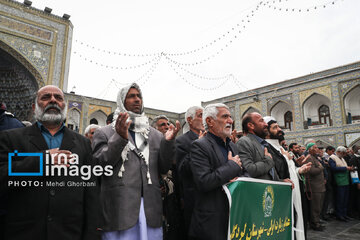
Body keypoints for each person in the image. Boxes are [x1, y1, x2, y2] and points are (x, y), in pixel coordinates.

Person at [0, 85, 100, 240]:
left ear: (64, 106)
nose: (53, 100)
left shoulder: (82, 144)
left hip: (69, 233)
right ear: (34, 107)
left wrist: (92, 234)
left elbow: (91, 194)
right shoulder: (11, 139)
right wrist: (43, 161)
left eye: (58, 98)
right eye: (46, 97)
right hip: (23, 232)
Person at [92, 83, 180, 240]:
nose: (137, 99)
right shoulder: (105, 133)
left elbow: (163, 167)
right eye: (131, 96)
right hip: (120, 210)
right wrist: (119, 137)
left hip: (150, 210)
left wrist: (168, 143)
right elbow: (100, 166)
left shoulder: (154, 135)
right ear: (121, 101)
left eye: (139, 96)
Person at [189, 103, 242, 240]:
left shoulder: (232, 146)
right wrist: (231, 167)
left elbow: (245, 172)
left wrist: (238, 179)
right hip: (212, 223)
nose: (230, 121)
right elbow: (204, 181)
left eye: (230, 117)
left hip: (234, 217)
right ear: (209, 121)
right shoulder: (199, 146)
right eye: (225, 117)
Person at [263, 117, 310, 240]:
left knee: (298, 217)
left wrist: (300, 170)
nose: (280, 130)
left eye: (278, 127)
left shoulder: (281, 148)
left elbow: (290, 170)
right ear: (267, 132)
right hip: (282, 193)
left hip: (295, 190)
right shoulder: (266, 148)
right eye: (275, 128)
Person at [175, 106, 204, 239]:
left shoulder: (211, 139)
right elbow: (183, 169)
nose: (204, 118)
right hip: (193, 198)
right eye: (200, 115)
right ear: (189, 120)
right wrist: (197, 145)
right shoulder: (182, 141)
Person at [236, 112, 277, 180]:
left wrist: (281, 181)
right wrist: (268, 160)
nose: (266, 124)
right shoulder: (244, 142)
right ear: (251, 125)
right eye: (261, 121)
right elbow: (250, 170)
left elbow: (269, 173)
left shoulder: (262, 143)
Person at [304, 143, 326, 231]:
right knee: (315, 207)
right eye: (315, 148)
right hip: (315, 187)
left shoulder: (315, 158)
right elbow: (312, 171)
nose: (317, 149)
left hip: (320, 186)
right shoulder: (309, 158)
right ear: (310, 149)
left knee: (319, 206)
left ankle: (317, 221)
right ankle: (314, 224)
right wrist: (321, 167)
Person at [329, 146, 354, 222]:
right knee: (340, 199)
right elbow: (333, 168)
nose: (344, 155)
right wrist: (346, 168)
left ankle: (344, 214)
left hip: (345, 181)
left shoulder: (342, 158)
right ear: (339, 152)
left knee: (345, 199)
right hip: (339, 181)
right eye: (343, 153)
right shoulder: (332, 158)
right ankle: (339, 215)